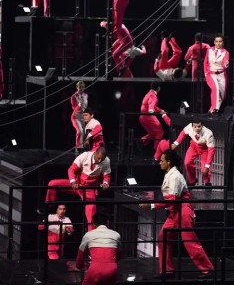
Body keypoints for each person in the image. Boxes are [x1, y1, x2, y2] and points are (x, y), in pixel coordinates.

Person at [139, 150, 213, 279]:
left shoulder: (175, 176)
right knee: (163, 238)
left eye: (162, 161)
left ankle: (208, 269)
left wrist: (151, 205)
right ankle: (167, 270)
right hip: (175, 211)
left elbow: (172, 199)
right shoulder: (169, 174)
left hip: (183, 211)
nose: (160, 163)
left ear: (169, 162)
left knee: (190, 241)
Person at [44, 146, 111, 231]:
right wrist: (73, 182)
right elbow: (71, 169)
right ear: (95, 153)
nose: (99, 161)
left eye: (102, 159)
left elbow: (107, 176)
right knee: (52, 184)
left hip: (88, 190)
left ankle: (91, 234)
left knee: (91, 210)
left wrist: (105, 183)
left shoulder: (106, 161)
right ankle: (49, 206)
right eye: (98, 158)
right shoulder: (85, 156)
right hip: (77, 185)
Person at [75, 213, 121, 285]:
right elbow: (119, 253)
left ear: (94, 224)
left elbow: (81, 254)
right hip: (112, 269)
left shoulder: (88, 235)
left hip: (95, 269)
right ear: (107, 222)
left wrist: (79, 266)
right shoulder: (116, 235)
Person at [171, 120, 216, 186]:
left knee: (205, 169)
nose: (197, 128)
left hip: (204, 149)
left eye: (199, 126)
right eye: (195, 126)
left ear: (202, 126)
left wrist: (207, 166)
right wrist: (176, 143)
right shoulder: (189, 127)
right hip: (193, 147)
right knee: (187, 163)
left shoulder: (209, 134)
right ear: (192, 126)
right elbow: (183, 133)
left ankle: (207, 183)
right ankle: (192, 180)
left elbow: (211, 151)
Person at [204, 34, 229, 114]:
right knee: (216, 88)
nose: (218, 43)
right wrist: (206, 72)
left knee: (222, 96)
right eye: (217, 41)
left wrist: (226, 64)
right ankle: (215, 109)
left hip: (221, 74)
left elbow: (225, 62)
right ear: (214, 42)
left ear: (223, 43)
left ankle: (210, 111)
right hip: (211, 73)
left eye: (220, 41)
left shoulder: (225, 52)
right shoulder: (209, 50)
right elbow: (205, 62)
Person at [140, 83, 165, 153]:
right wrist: (151, 111)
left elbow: (152, 105)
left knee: (153, 133)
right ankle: (156, 150)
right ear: (159, 88)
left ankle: (142, 140)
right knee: (160, 132)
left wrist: (160, 110)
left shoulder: (149, 93)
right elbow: (151, 104)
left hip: (142, 117)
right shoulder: (153, 95)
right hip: (148, 116)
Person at [70, 81, 88, 150]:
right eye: (79, 87)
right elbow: (74, 108)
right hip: (76, 116)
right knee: (79, 131)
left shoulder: (86, 95)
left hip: (83, 116)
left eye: (82, 87)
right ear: (77, 87)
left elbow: (85, 106)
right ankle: (78, 147)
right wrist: (78, 105)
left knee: (83, 132)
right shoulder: (73, 96)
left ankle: (82, 147)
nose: (81, 88)